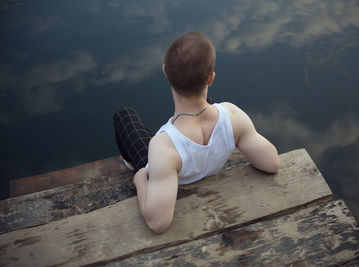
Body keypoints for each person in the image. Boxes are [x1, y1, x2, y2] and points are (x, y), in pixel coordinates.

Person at [113, 32, 280, 234]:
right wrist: (233, 138)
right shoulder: (233, 116)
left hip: (163, 165)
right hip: (203, 157)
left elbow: (158, 222)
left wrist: (140, 180)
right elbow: (272, 163)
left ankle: (131, 164)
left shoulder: (162, 146)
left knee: (124, 115)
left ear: (165, 72)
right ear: (210, 78)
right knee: (209, 104)